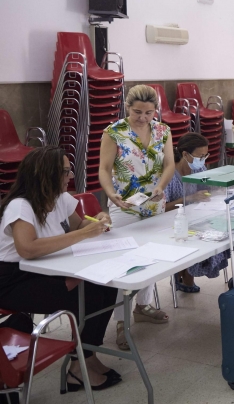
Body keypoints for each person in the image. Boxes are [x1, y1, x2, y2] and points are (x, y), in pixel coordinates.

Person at [0, 146, 121, 391]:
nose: (69, 177)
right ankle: (80, 365)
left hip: (46, 268)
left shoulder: (60, 198)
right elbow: (28, 249)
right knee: (89, 296)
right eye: (64, 172)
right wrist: (83, 234)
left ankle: (86, 357)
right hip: (14, 279)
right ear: (45, 174)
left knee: (107, 286)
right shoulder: (20, 206)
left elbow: (78, 226)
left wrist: (97, 221)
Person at [98, 84, 175, 350]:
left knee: (151, 257)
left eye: (148, 112)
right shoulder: (114, 133)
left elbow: (169, 164)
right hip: (124, 205)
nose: (143, 117)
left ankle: (142, 306)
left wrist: (161, 186)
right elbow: (104, 169)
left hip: (154, 203)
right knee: (126, 263)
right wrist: (111, 195)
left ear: (156, 110)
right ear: (127, 108)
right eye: (137, 112)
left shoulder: (163, 130)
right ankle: (121, 322)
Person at [163, 133, 230, 287]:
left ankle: (190, 274)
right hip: (173, 221)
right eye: (200, 156)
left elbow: (206, 189)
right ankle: (185, 275)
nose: (203, 159)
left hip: (196, 216)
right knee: (194, 239)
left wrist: (216, 191)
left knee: (218, 233)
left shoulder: (199, 168)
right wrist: (190, 198)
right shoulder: (169, 175)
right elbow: (162, 208)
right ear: (185, 154)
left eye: (205, 155)